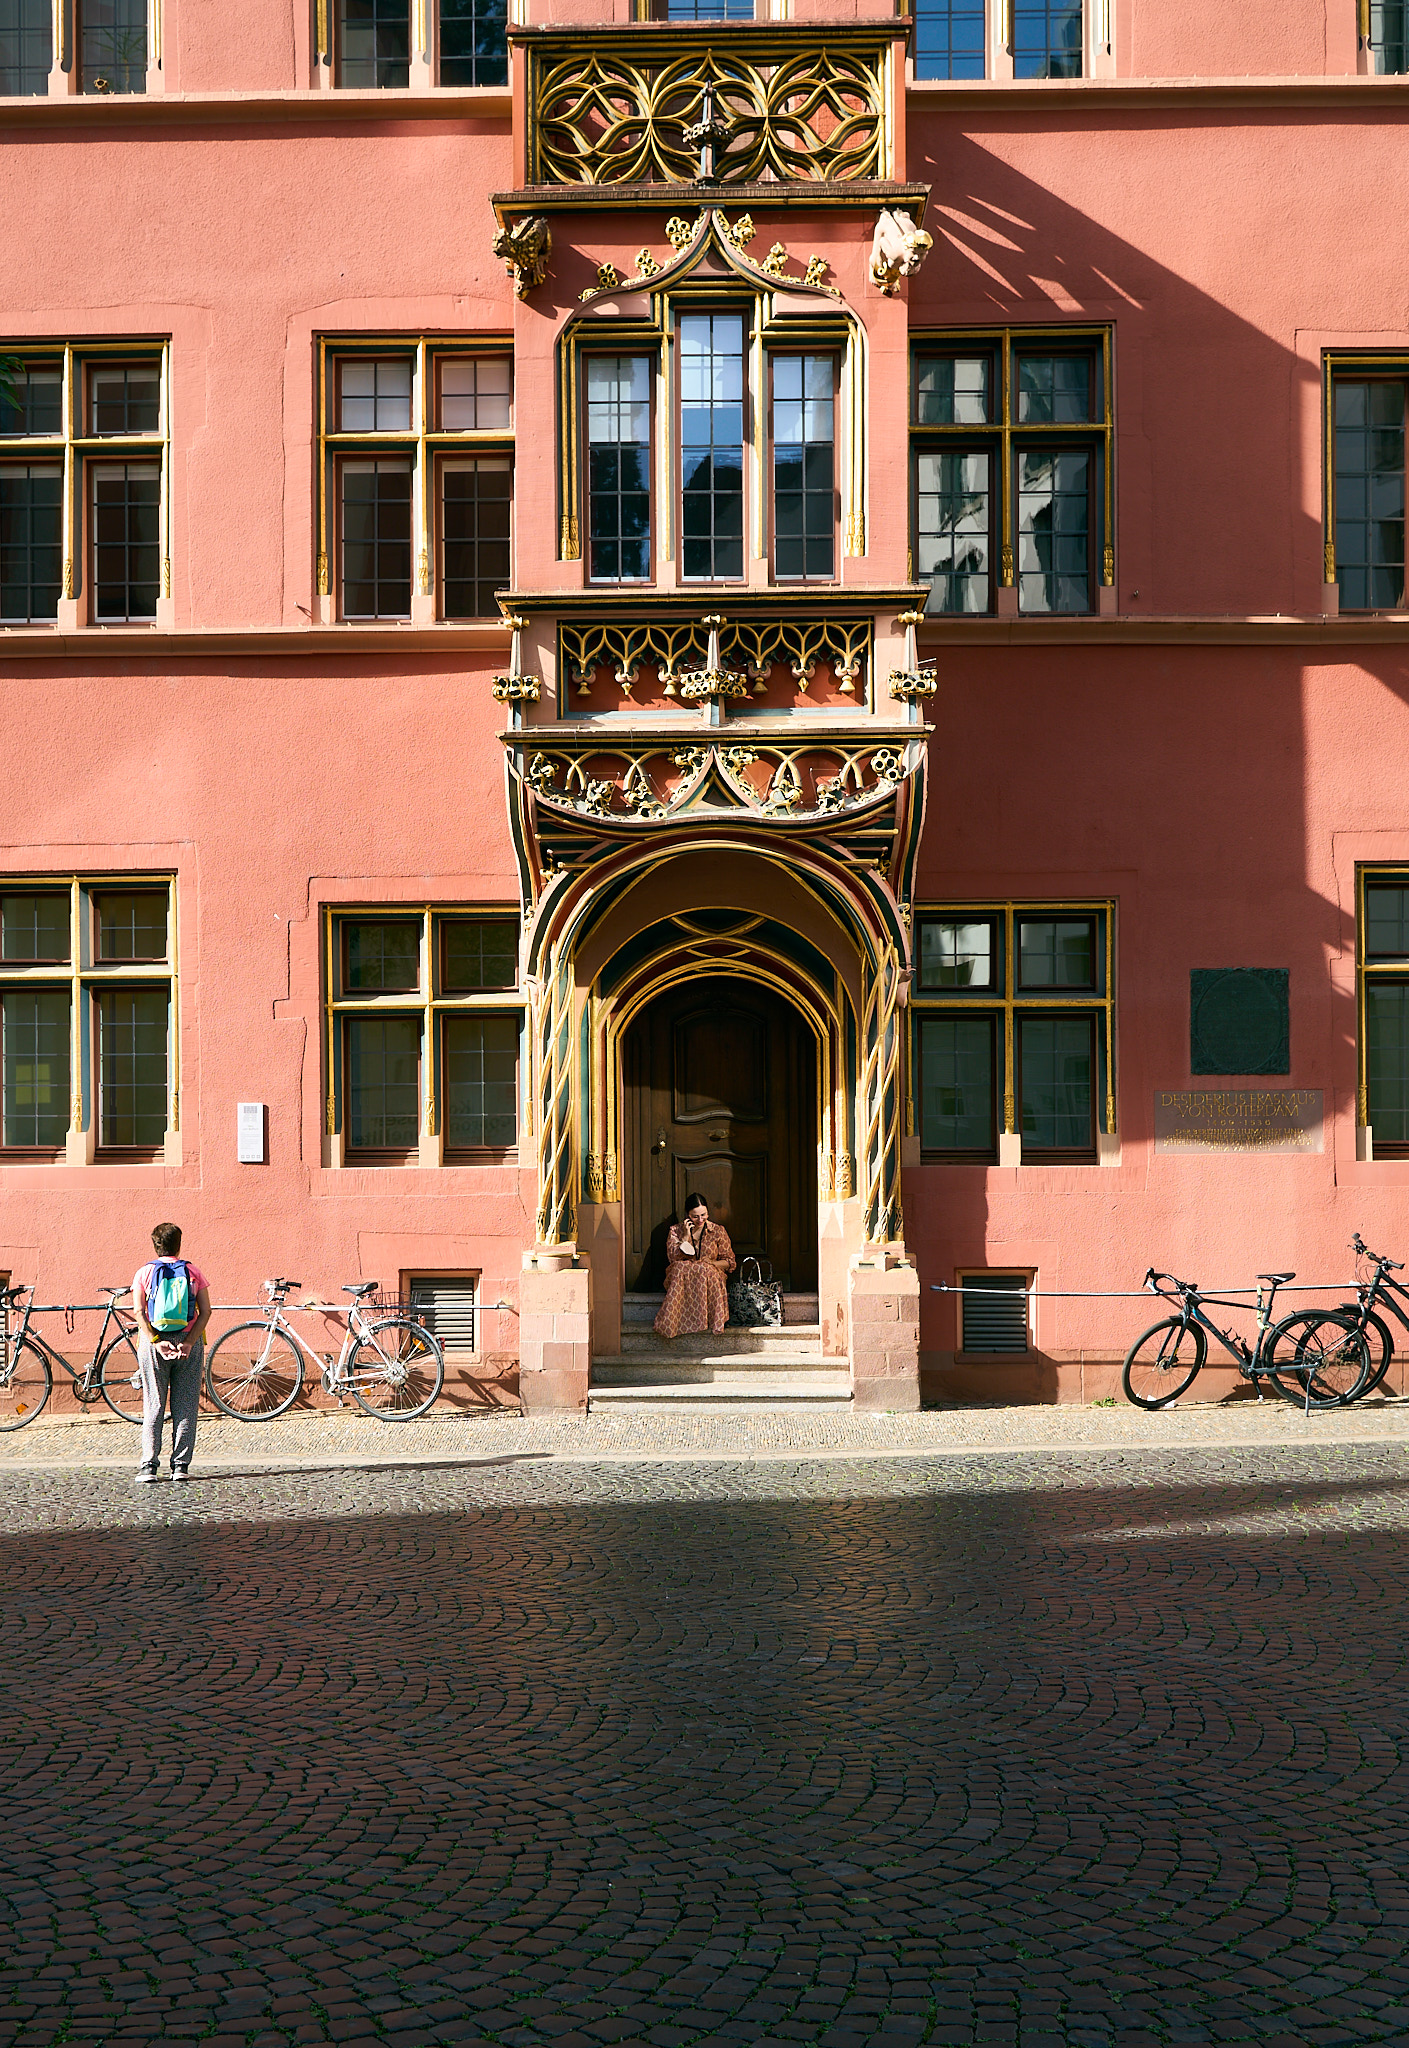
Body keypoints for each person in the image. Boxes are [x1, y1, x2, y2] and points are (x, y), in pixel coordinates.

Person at [132, 1222, 211, 1484]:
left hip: (154, 1342)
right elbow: (206, 1311)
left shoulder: (144, 1273)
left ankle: (148, 1466)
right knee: (186, 1404)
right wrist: (188, 1341)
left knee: (154, 1403)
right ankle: (180, 1466)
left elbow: (138, 1312)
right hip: (188, 1341)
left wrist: (155, 1341)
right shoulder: (193, 1271)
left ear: (155, 1245)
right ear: (179, 1243)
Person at [654, 1193, 736, 1339]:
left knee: (706, 1270)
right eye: (695, 1216)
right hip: (684, 1275)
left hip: (709, 1273)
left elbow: (729, 1262)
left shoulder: (718, 1231)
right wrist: (685, 1238)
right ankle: (674, 1323)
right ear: (687, 1215)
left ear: (708, 1212)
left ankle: (711, 1320)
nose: (700, 1220)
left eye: (703, 1215)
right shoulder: (675, 1231)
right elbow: (673, 1258)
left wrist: (712, 1263)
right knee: (680, 1268)